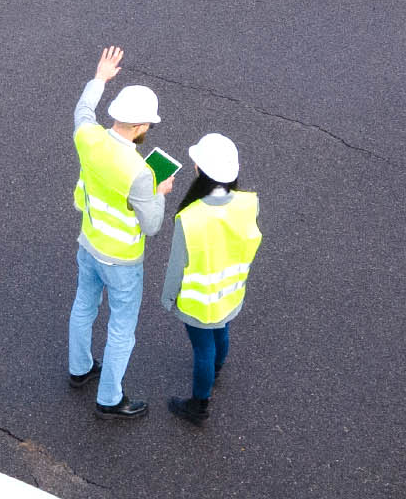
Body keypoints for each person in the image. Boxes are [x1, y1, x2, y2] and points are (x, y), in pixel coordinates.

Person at [68, 45, 174, 419]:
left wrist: (100, 77)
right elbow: (153, 225)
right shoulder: (141, 172)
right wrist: (159, 192)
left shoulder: (88, 137)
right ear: (142, 126)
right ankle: (109, 399)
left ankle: (79, 370)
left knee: (84, 305)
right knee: (121, 329)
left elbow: (82, 110)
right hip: (123, 261)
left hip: (89, 242)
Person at [160, 132, 262, 424]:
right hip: (230, 292)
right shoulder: (247, 203)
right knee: (222, 332)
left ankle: (199, 405)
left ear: (199, 171)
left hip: (198, 303)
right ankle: (218, 368)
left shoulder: (190, 216)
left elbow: (177, 265)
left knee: (202, 349)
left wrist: (168, 298)